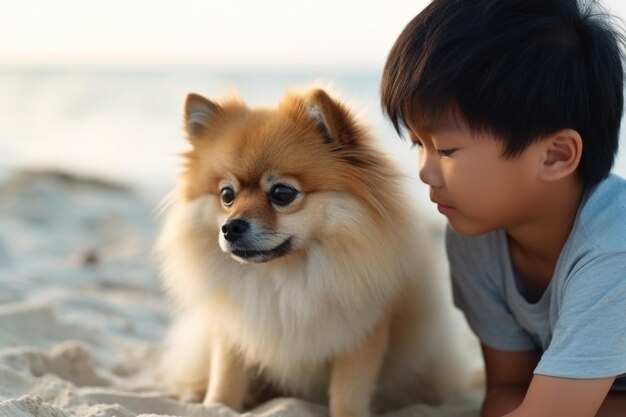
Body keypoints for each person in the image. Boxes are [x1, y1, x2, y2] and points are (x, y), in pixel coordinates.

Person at [380, 0, 626, 416]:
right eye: (418, 145)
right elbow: (505, 393)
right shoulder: (475, 238)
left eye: (446, 150)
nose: (425, 172)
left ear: (555, 156)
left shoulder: (612, 252)